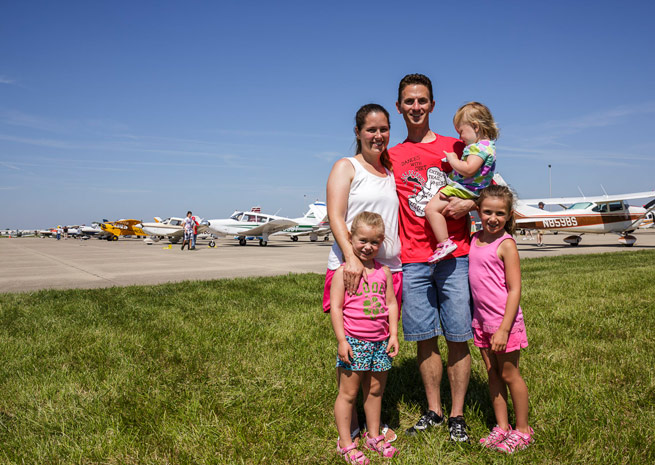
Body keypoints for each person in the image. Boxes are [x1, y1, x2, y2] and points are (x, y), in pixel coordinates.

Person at [388, 73, 475, 442]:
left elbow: (490, 189)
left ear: (433, 105)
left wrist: (470, 203)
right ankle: (434, 411)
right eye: (409, 101)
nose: (416, 107)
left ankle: (457, 415)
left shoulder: (456, 146)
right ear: (399, 107)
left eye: (422, 100)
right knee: (425, 337)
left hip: (456, 256)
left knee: (457, 335)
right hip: (413, 259)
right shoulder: (389, 156)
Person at [325, 103, 403, 445]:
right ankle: (350, 429)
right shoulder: (347, 166)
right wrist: (351, 258)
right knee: (353, 347)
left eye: (384, 128)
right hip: (353, 268)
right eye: (371, 129)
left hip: (386, 272)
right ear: (358, 132)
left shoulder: (389, 171)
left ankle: (370, 426)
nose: (378, 135)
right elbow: (335, 214)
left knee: (376, 345)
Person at [332, 212, 399, 464]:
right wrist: (342, 340)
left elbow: (391, 304)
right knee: (348, 393)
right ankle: (346, 443)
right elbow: (336, 308)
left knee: (375, 392)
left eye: (374, 242)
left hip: (380, 342)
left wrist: (393, 334)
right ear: (351, 238)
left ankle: (373, 436)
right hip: (355, 341)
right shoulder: (344, 272)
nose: (368, 247)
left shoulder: (385, 272)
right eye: (362, 240)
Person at [470, 185, 533, 453]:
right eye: (487, 212)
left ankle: (522, 430)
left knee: (509, 374)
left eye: (499, 213)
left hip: (503, 324)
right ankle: (502, 427)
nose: (492, 218)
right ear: (478, 211)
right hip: (481, 322)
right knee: (492, 373)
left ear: (508, 215)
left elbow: (515, 288)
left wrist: (504, 329)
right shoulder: (473, 238)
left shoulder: (506, 244)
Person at [424, 102, 498, 263]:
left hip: (463, 189)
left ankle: (444, 242)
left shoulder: (476, 148)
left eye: (461, 132)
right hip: (477, 191)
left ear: (475, 127)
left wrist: (453, 160)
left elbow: (469, 169)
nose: (460, 138)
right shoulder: (489, 147)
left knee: (430, 209)